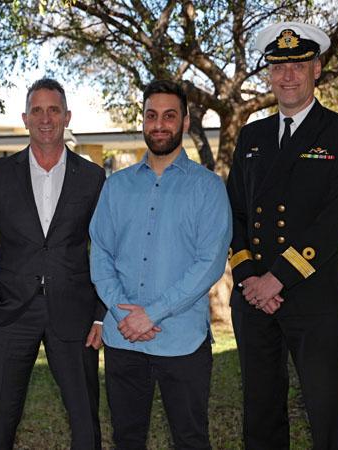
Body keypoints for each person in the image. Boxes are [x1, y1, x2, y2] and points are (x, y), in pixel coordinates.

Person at [226, 21, 338, 450]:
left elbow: (337, 218)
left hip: (312, 296)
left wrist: (277, 277)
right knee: (261, 411)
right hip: (253, 300)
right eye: (278, 66)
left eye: (299, 65)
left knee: (326, 413)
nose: (288, 76)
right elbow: (234, 213)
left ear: (317, 69)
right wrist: (250, 277)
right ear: (269, 73)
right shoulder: (252, 135)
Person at [89, 80, 231, 450]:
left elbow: (210, 262)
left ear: (185, 123)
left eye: (169, 116)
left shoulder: (208, 188)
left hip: (182, 342)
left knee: (190, 439)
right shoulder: (115, 187)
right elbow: (100, 254)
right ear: (143, 122)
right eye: (151, 116)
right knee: (126, 439)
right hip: (124, 340)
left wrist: (151, 314)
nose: (159, 124)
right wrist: (124, 315)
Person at [0, 78, 106, 450]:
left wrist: (99, 314)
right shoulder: (0, 174)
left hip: (74, 312)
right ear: (25, 118)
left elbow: (107, 249)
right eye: (37, 110)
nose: (46, 118)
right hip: (10, 311)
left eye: (54, 110)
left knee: (84, 419)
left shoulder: (92, 177)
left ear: (67, 117)